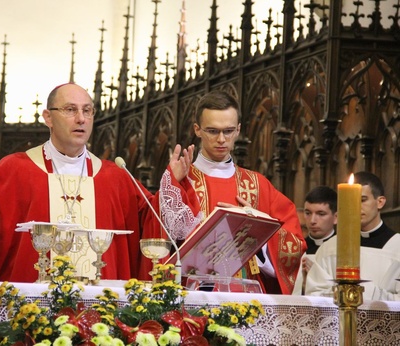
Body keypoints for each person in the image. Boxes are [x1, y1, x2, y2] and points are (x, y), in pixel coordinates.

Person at [0, 82, 197, 283]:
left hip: (101, 311)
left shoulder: (116, 176)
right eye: (70, 110)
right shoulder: (16, 170)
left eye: (87, 111)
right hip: (31, 309)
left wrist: (172, 184)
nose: (81, 119)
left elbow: (152, 226)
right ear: (48, 117)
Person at [160, 90, 306, 294]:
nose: (221, 139)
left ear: (238, 130)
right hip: (194, 296)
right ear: (197, 130)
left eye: (228, 131)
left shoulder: (257, 185)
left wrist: (259, 232)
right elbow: (159, 244)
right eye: (212, 131)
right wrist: (172, 182)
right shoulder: (182, 181)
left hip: (248, 296)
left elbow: (295, 245)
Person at [304, 171, 400, 300]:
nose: (355, 206)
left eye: (362, 200)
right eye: (349, 200)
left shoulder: (397, 246)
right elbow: (315, 295)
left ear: (380, 202)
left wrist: (365, 292)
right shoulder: (329, 247)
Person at [292, 186, 337, 295]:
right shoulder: (296, 248)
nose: (312, 221)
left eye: (321, 214)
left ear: (336, 217)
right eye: (308, 213)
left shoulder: (342, 250)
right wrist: (303, 285)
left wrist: (316, 277)